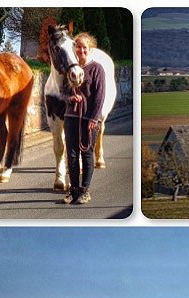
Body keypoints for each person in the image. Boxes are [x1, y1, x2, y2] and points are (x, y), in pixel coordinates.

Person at [62, 33, 106, 205]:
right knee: (72, 155)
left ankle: (84, 191)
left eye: (84, 47)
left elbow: (99, 97)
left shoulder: (97, 69)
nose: (81, 50)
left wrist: (94, 119)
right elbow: (63, 92)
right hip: (71, 117)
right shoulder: (70, 70)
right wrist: (70, 98)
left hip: (89, 119)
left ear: (90, 49)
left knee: (86, 154)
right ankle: (73, 190)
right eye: (78, 47)